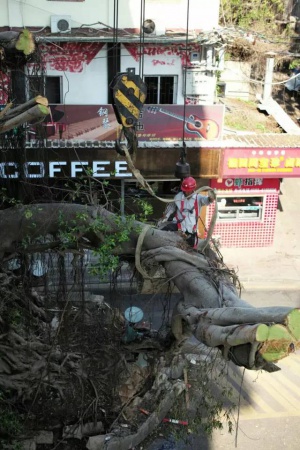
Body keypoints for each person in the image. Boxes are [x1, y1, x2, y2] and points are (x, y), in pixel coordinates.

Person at [159, 177, 215, 248]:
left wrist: (211, 198)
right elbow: (171, 207)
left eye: (189, 191)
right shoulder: (178, 197)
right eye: (185, 190)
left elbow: (207, 200)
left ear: (193, 189)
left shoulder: (199, 198)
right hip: (178, 225)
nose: (186, 192)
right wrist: (165, 216)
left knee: (189, 250)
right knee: (161, 232)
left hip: (190, 230)